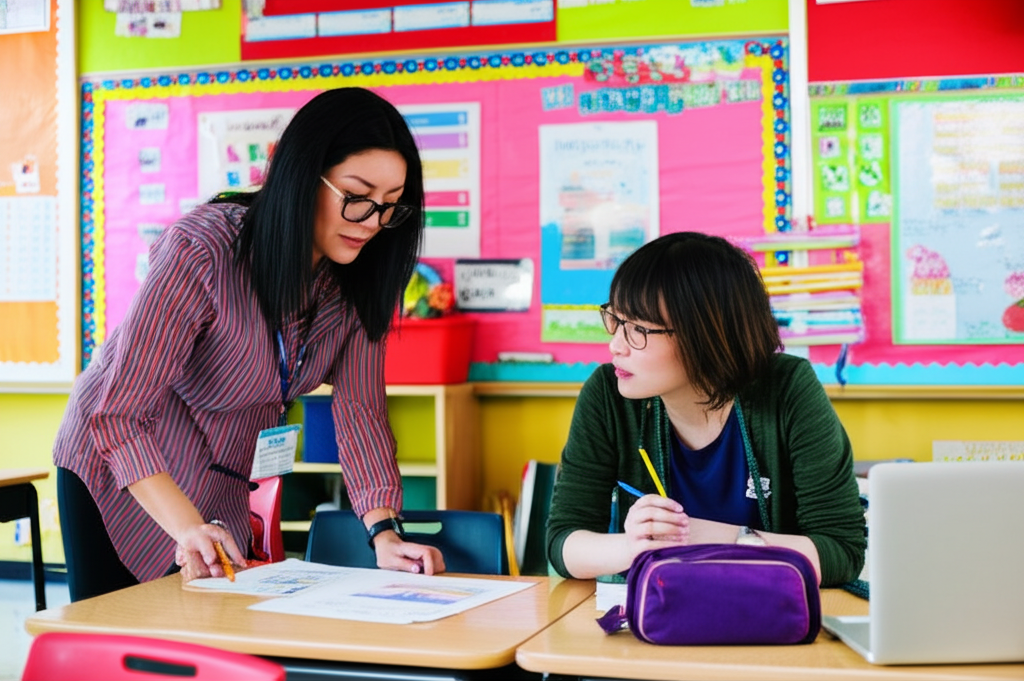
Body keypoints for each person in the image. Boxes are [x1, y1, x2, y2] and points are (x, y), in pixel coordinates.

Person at [53, 88, 445, 601]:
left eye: (389, 206)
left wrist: (384, 533)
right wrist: (186, 526)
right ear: (301, 175)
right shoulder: (204, 250)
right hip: (124, 471)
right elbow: (118, 412)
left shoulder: (358, 281)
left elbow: (361, 412)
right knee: (118, 634)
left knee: (210, 629)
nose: (371, 222)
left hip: (221, 478)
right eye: (356, 196)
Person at [546, 231, 866, 587]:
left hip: (767, 610)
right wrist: (633, 547)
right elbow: (563, 541)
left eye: (637, 328)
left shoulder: (787, 389)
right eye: (616, 321)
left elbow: (841, 552)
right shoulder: (609, 394)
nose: (616, 346)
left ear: (705, 335)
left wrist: (701, 536)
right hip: (658, 612)